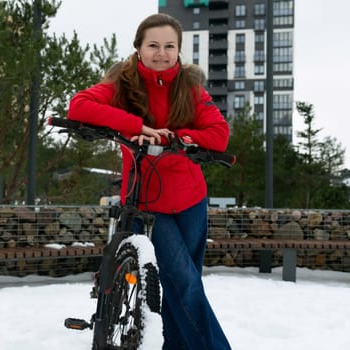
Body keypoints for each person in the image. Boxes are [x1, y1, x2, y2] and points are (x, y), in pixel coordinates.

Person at [67, 13, 232, 350]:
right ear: (139, 48)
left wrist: (179, 137)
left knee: (184, 286)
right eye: (153, 45)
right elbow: (79, 106)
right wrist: (138, 127)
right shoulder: (123, 85)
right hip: (146, 201)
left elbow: (219, 135)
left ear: (179, 51)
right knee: (184, 283)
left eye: (169, 46)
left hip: (190, 200)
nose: (162, 53)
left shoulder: (190, 88)